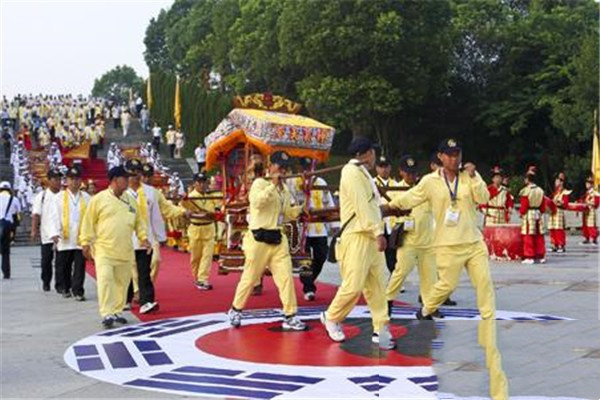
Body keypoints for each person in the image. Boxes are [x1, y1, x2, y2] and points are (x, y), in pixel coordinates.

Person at [387, 138, 495, 321]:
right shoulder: (430, 181)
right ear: (440, 157)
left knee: (484, 283)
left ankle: (488, 322)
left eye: (457, 155)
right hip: (448, 244)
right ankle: (426, 310)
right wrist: (389, 207)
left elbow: (484, 198)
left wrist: (475, 177)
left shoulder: (470, 177)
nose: (454, 159)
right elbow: (411, 197)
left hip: (474, 241)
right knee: (446, 285)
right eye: (450, 155)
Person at [320, 137, 395, 350]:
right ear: (365, 153)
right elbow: (362, 206)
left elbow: (371, 204)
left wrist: (388, 211)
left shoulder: (362, 173)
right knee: (353, 285)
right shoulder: (351, 173)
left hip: (370, 236)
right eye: (372, 152)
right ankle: (332, 317)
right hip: (358, 237)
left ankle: (381, 328)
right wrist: (378, 232)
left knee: (378, 286)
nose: (374, 157)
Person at [227, 151, 306, 331]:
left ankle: (290, 314)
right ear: (271, 166)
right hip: (258, 240)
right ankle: (235, 309)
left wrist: (300, 210)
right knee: (250, 278)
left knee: (286, 278)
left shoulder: (284, 190)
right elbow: (257, 203)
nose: (283, 170)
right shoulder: (259, 184)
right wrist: (273, 185)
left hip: (278, 239)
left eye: (285, 168)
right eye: (279, 166)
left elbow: (286, 214)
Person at [79, 165, 150, 328]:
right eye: (124, 178)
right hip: (104, 248)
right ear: (114, 180)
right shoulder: (99, 199)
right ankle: (107, 313)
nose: (128, 180)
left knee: (122, 282)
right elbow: (88, 221)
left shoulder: (130, 200)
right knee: (105, 280)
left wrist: (143, 237)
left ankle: (117, 311)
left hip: (125, 249)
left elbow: (139, 222)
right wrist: (85, 242)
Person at [385, 155, 437, 315]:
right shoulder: (393, 191)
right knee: (401, 271)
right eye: (408, 173)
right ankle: (387, 300)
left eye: (413, 173)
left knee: (430, 275)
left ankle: (429, 307)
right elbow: (389, 215)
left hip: (427, 239)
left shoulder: (423, 188)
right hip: (408, 239)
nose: (411, 176)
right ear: (401, 172)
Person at [124, 159, 164, 314]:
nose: (135, 177)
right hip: (125, 238)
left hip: (145, 239)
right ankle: (125, 299)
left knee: (144, 271)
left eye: (138, 173)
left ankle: (146, 301)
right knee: (126, 271)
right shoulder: (121, 191)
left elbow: (155, 216)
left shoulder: (151, 192)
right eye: (132, 174)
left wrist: (159, 237)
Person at [295, 157, 335, 301]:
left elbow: (329, 203)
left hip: (319, 228)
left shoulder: (321, 182)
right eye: (305, 168)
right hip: (302, 229)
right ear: (300, 169)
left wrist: (333, 226)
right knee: (304, 260)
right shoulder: (293, 182)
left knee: (321, 256)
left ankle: (309, 280)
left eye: (311, 168)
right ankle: (308, 288)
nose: (308, 171)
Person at [49, 166, 90, 300]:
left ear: (81, 181)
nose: (74, 182)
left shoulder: (86, 197)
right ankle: (66, 287)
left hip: (80, 237)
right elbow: (54, 216)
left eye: (77, 179)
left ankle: (78, 290)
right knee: (64, 266)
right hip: (64, 237)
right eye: (71, 179)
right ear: (66, 180)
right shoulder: (59, 197)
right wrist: (54, 232)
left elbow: (91, 217)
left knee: (79, 265)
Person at [181, 173, 221, 290]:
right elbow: (184, 207)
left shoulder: (210, 195)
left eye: (204, 182)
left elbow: (218, 207)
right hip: (196, 228)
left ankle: (203, 279)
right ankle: (197, 277)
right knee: (196, 257)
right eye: (200, 182)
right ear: (195, 183)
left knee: (207, 256)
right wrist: (184, 200)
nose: (202, 185)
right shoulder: (191, 196)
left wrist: (215, 212)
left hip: (208, 228)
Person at [31, 169, 62, 292]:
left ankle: (60, 285)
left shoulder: (63, 195)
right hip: (46, 234)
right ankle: (46, 281)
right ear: (49, 181)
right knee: (46, 261)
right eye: (55, 179)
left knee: (61, 262)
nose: (58, 182)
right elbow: (36, 214)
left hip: (61, 234)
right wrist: (34, 230)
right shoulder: (42, 196)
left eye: (59, 179)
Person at [518, 167, 551, 264]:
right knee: (539, 235)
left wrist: (521, 213)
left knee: (528, 235)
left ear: (527, 179)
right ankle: (540, 255)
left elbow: (524, 205)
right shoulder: (540, 190)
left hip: (529, 214)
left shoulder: (526, 191)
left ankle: (529, 256)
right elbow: (542, 206)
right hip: (538, 213)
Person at [373, 155, 399, 274]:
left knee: (392, 252)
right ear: (376, 168)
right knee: (376, 253)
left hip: (392, 223)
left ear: (390, 168)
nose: (384, 170)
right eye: (381, 167)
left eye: (386, 167)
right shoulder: (371, 183)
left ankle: (394, 277)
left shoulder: (396, 184)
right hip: (378, 222)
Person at [548, 172, 571, 252]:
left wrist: (559, 202)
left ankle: (561, 245)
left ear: (561, 182)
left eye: (557, 181)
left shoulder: (565, 192)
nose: (555, 183)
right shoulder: (555, 192)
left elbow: (565, 204)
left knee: (559, 229)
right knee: (552, 229)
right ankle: (555, 244)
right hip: (553, 212)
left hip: (559, 212)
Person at [1, 182, 20, 279]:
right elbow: (17, 213)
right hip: (7, 225)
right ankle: (6, 272)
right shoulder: (14, 199)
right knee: (5, 251)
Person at [580, 176, 599, 245]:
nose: (587, 185)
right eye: (586, 184)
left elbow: (596, 202)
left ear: (592, 184)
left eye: (588, 184)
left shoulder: (595, 192)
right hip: (585, 210)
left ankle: (594, 239)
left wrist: (589, 203)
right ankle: (586, 238)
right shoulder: (587, 192)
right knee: (585, 225)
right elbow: (583, 199)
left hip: (591, 210)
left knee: (591, 225)